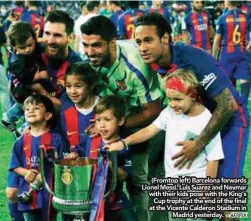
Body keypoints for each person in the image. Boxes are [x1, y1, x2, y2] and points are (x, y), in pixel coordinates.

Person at [134, 13, 249, 178]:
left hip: (231, 120)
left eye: (148, 40)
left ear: (165, 38)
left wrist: (198, 144)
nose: (142, 48)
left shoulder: (192, 59)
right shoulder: (154, 60)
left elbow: (228, 104)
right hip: (202, 120)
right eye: (138, 42)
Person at [105, 69, 224, 221]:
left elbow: (214, 158)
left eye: (178, 99)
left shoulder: (206, 120)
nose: (173, 104)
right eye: (169, 99)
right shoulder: (169, 112)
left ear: (193, 94)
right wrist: (124, 142)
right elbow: (149, 130)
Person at [81, 15, 165, 221]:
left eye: (96, 46)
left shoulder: (135, 64)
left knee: (144, 181)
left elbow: (152, 110)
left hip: (152, 122)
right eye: (85, 45)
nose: (90, 52)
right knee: (120, 178)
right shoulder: (92, 63)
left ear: (112, 42)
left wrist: (117, 125)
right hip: (122, 121)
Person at [66, 95, 138, 221]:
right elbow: (77, 152)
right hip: (90, 200)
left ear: (120, 121)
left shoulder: (122, 146)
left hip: (116, 201)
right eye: (98, 120)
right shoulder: (91, 140)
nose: (102, 125)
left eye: (107, 120)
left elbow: (124, 176)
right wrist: (73, 155)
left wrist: (109, 163)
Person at [8, 94, 63, 221]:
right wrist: (26, 172)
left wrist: (49, 173)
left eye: (36, 108)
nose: (31, 110)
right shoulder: (20, 141)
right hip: (28, 194)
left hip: (50, 194)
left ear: (48, 115)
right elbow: (14, 165)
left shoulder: (56, 139)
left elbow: (61, 163)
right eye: (27, 109)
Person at [0, 22, 58, 138]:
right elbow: (24, 79)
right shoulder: (18, 61)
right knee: (32, 107)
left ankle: (8, 118)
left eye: (29, 45)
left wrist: (44, 41)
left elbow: (41, 45)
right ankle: (23, 130)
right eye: (22, 48)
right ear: (14, 46)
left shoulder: (34, 48)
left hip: (23, 89)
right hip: (21, 89)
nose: (27, 50)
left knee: (25, 105)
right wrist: (40, 76)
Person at [212, 0, 251, 106]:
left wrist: (213, 57)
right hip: (242, 53)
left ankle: (232, 109)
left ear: (228, 3)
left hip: (227, 55)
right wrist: (249, 46)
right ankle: (242, 107)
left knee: (228, 84)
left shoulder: (222, 18)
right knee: (245, 82)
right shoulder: (246, 17)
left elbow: (216, 41)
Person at [59, 62, 100, 156]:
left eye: (78, 86)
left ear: (91, 85)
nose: (72, 92)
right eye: (68, 86)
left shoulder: (105, 108)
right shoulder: (65, 113)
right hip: (78, 167)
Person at [0, 23, 11, 120]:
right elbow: (5, 43)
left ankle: (7, 115)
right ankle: (6, 115)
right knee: (4, 90)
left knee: (4, 90)